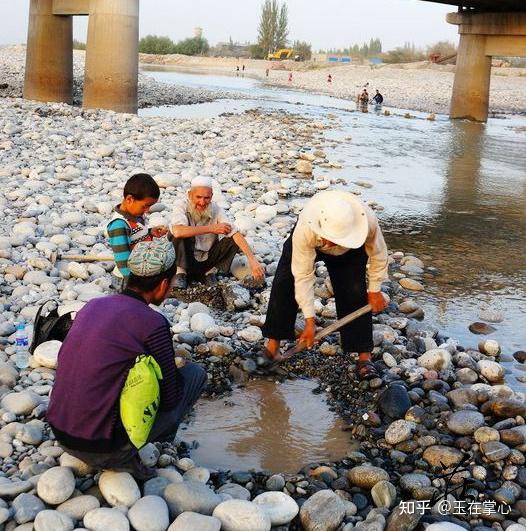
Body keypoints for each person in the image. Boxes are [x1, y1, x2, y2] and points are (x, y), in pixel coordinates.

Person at [47, 239, 207, 480]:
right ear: (163, 284)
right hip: (105, 448)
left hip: (61, 433)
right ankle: (149, 445)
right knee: (195, 375)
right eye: (172, 283)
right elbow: (170, 398)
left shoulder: (93, 305)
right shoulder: (152, 323)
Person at [260, 190, 389, 380]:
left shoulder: (367, 224)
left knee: (354, 292)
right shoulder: (306, 228)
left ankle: (363, 357)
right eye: (328, 238)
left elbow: (379, 255)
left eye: (335, 240)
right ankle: (272, 346)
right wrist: (309, 321)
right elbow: (302, 276)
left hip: (350, 251)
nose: (330, 244)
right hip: (308, 239)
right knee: (285, 282)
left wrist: (375, 289)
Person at [170, 176, 265, 289]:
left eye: (207, 198)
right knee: (175, 234)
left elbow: (235, 233)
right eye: (198, 197)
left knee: (233, 238)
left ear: (212, 196)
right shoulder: (181, 205)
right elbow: (177, 232)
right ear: (190, 195)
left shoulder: (216, 209)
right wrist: (212, 228)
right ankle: (180, 273)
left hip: (207, 260)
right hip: (186, 259)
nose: (202, 202)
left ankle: (209, 273)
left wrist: (253, 260)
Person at [106, 173, 167, 283]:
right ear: (129, 199)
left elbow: (134, 236)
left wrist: (150, 232)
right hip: (127, 280)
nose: (147, 210)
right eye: (145, 206)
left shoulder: (135, 216)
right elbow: (122, 260)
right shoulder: (119, 225)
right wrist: (135, 284)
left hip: (140, 273)